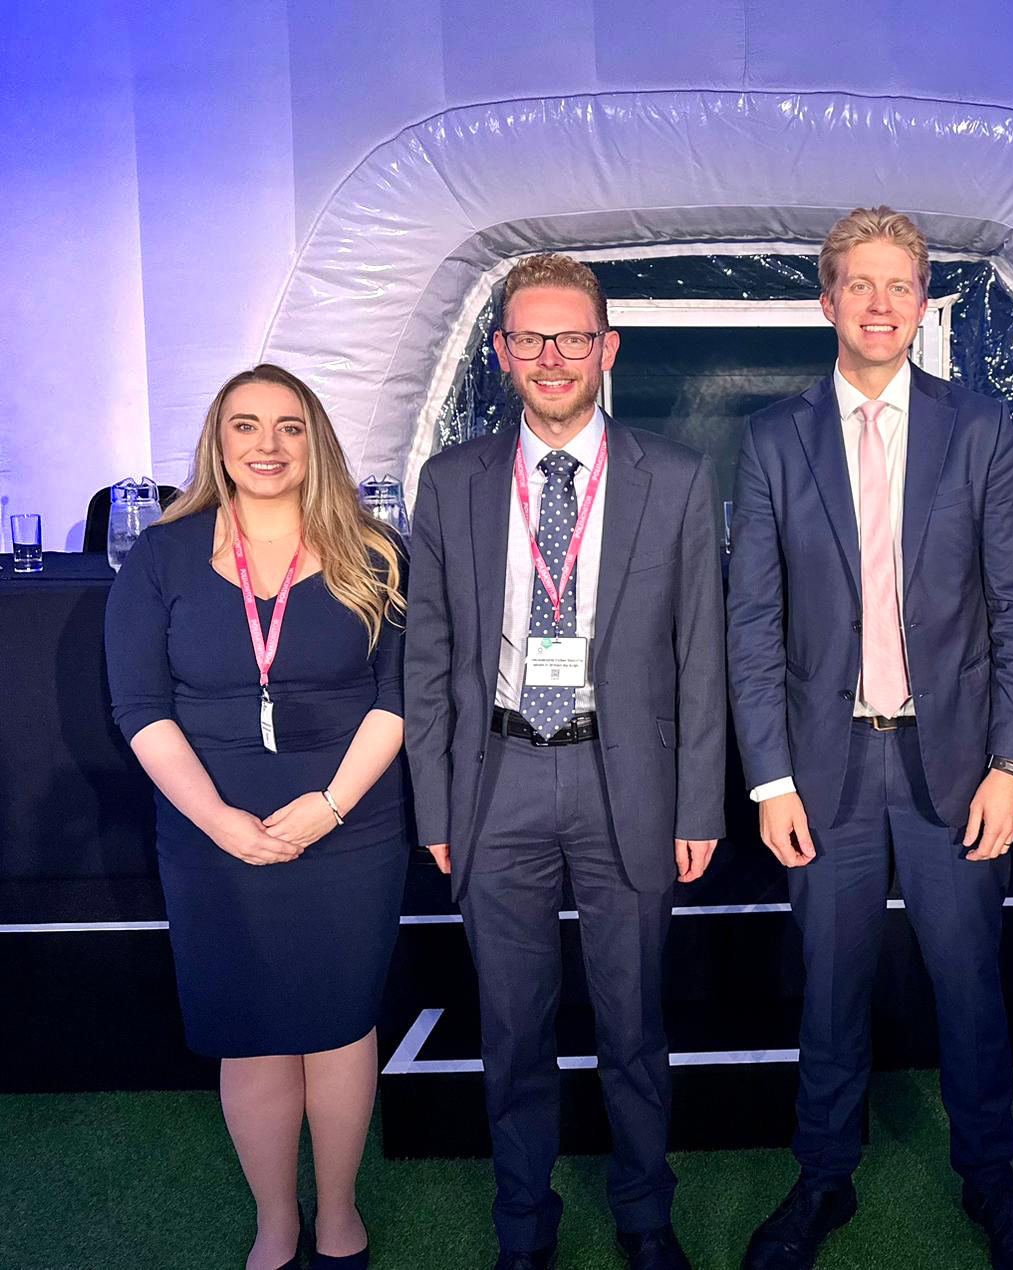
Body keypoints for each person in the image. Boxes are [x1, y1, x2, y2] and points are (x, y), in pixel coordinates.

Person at [726, 207, 1013, 1270]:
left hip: (956, 765)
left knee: (970, 982)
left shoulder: (981, 429)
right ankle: (823, 1178)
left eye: (899, 284)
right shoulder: (775, 437)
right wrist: (769, 778)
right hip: (823, 771)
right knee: (828, 985)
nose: (878, 304)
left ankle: (990, 1177)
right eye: (858, 284)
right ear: (825, 300)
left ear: (924, 301)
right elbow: (752, 624)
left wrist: (1012, 764)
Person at [405, 254, 726, 1270]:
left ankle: (644, 1217)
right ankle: (523, 1227)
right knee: (512, 1029)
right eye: (530, 338)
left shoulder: (673, 477)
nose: (552, 357)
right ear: (501, 352)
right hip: (495, 781)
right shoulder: (451, 481)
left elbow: (702, 657)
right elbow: (427, 659)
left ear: (607, 348)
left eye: (572, 337)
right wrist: (436, 805)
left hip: (622, 780)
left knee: (633, 1022)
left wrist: (700, 806)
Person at [106, 363, 408, 1270]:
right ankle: (278, 1219)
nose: (267, 446)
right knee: (251, 1028)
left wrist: (326, 807)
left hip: (351, 826)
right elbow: (141, 709)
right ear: (218, 441)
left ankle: (341, 1214)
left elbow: (398, 700)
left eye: (288, 426)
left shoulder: (376, 550)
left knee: (339, 1022)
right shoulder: (162, 555)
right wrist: (220, 822)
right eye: (246, 426)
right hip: (212, 832)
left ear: (316, 439)